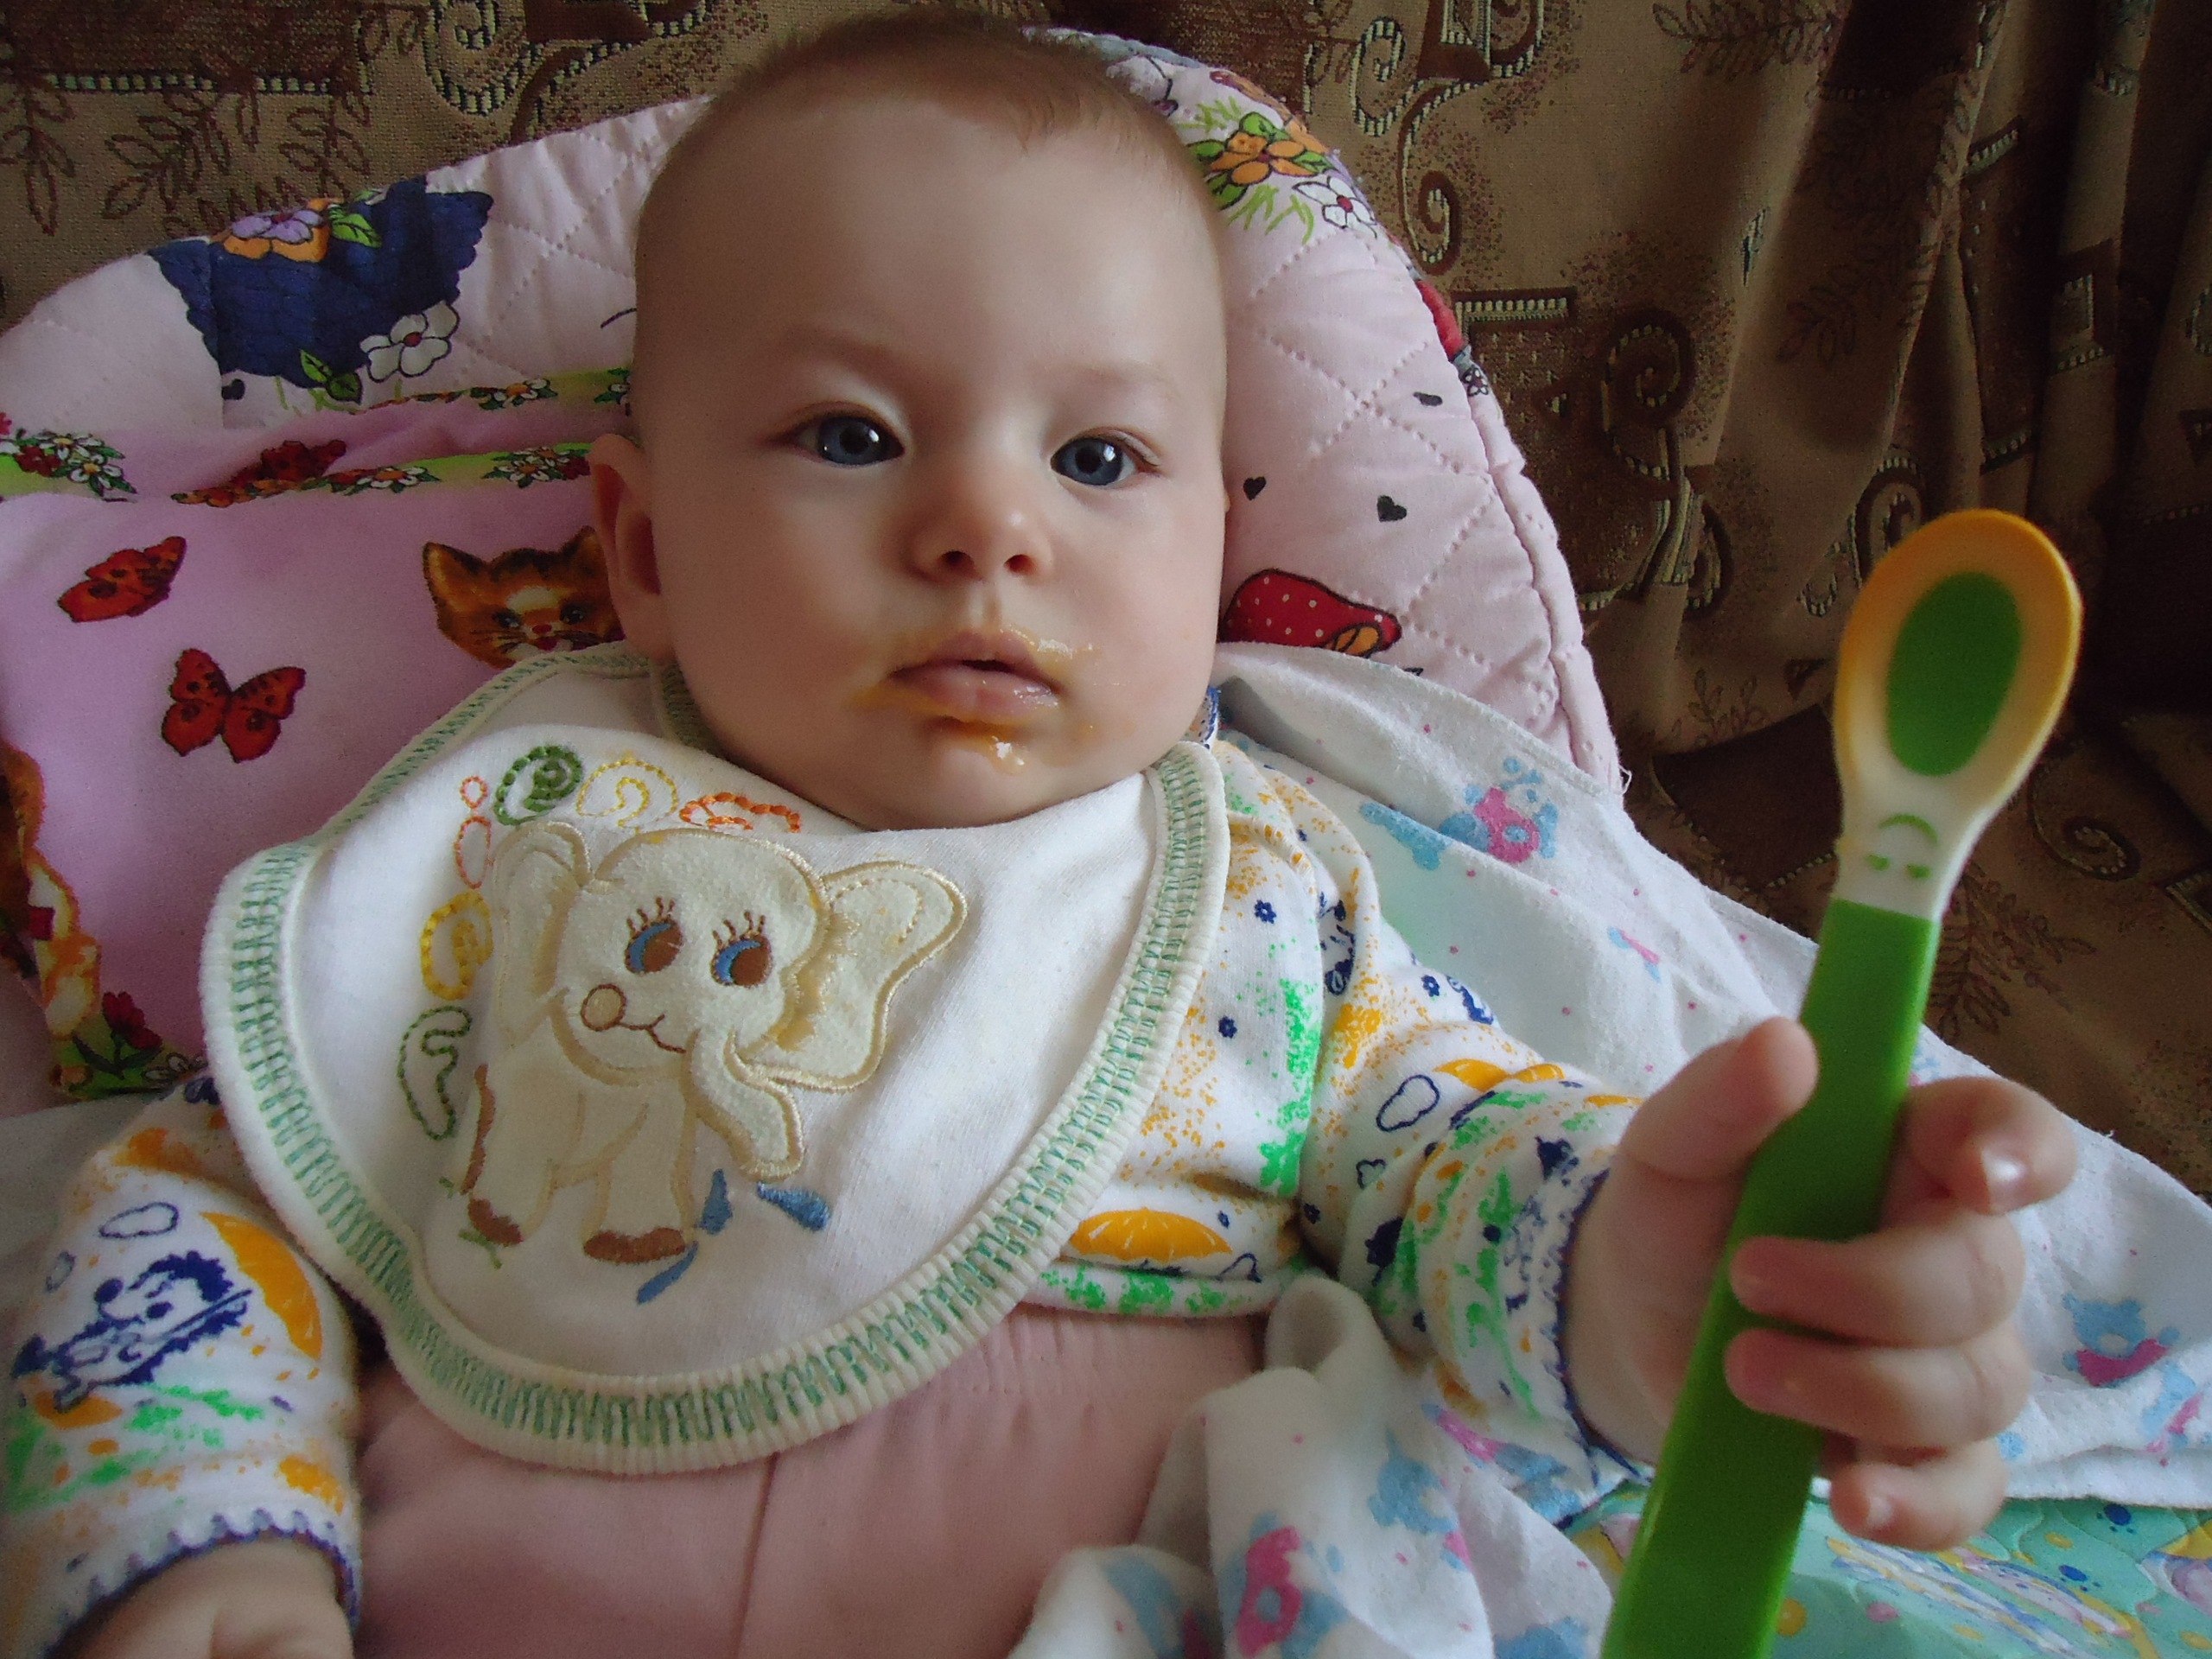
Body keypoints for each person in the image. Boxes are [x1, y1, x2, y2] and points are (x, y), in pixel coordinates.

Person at [3, 15, 2075, 1659]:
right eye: (850, 435)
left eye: (1096, 456)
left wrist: (1637, 1274)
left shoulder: (1254, 894)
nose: (985, 525)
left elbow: (1443, 1157)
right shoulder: (501, 842)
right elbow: (211, 1198)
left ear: (1213, 546)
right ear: (636, 548)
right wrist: (201, 1538)